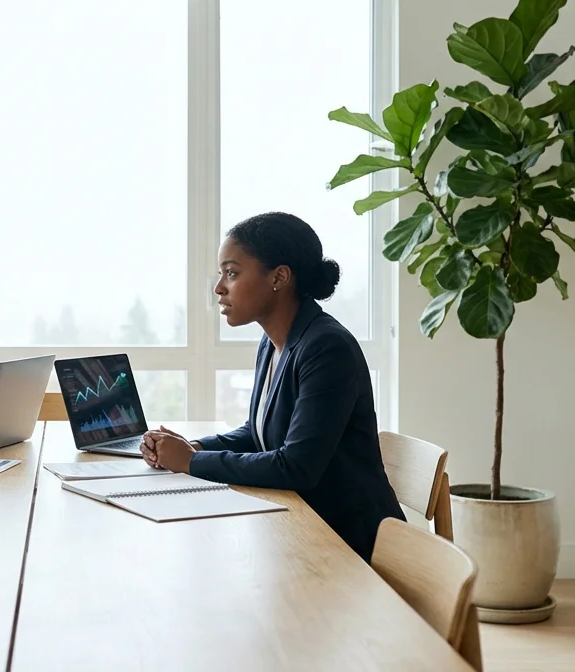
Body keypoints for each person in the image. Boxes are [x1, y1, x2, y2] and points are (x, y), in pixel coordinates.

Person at [140, 212, 403, 562]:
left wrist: (192, 462)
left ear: (279, 277)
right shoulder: (273, 342)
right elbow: (259, 432)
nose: (219, 287)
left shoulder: (327, 348)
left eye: (231, 273)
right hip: (297, 528)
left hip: (349, 545)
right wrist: (193, 446)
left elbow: (296, 467)